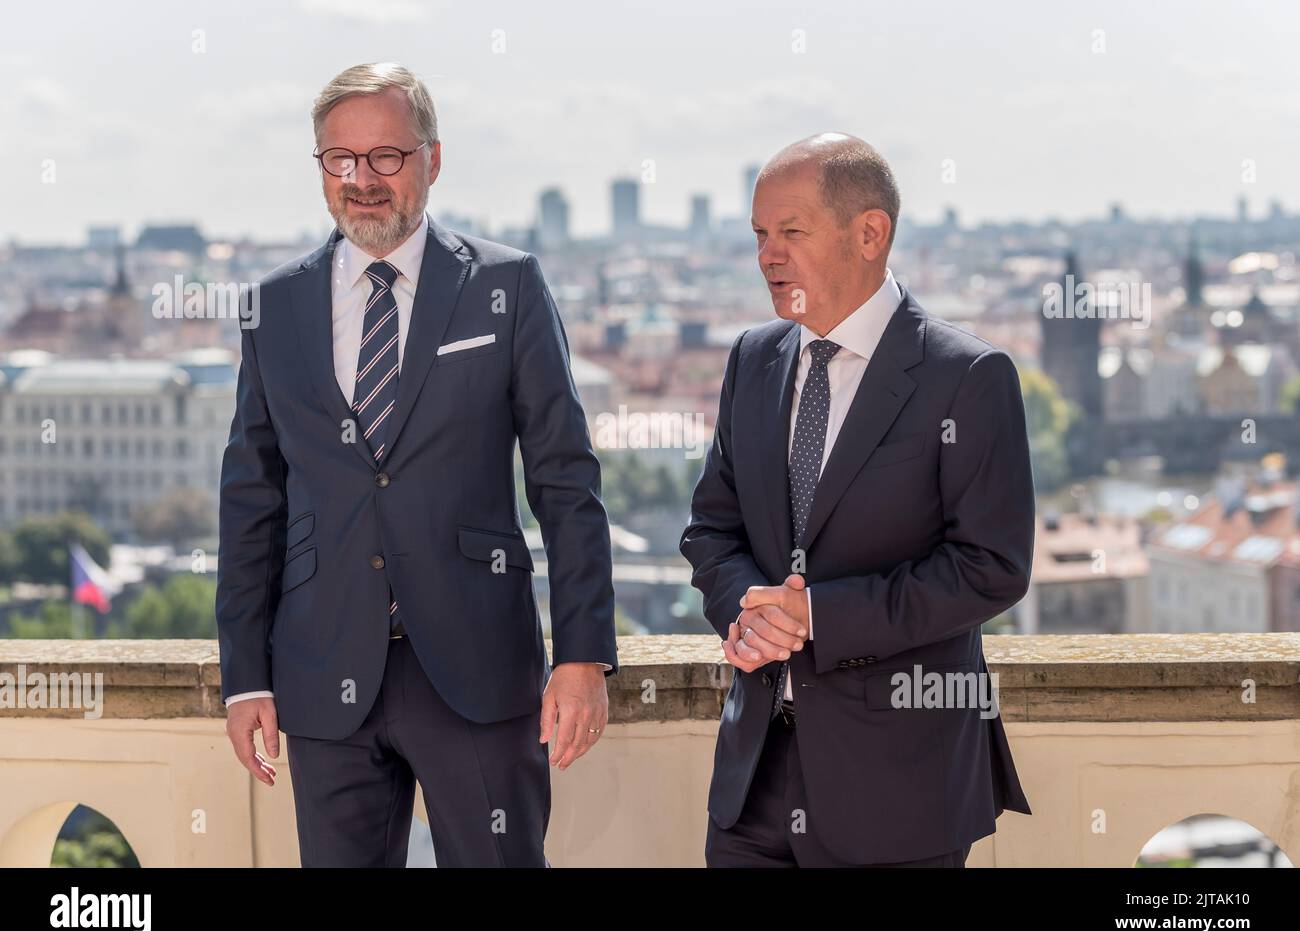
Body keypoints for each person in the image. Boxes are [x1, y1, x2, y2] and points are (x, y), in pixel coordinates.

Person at [217, 62, 616, 867]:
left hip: (477, 666)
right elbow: (252, 499)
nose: (362, 179)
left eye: (387, 156)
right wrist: (244, 676)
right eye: (340, 158)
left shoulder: (506, 284)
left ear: (433, 160)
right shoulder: (276, 304)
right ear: (321, 166)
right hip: (322, 666)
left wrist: (582, 654)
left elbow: (565, 481)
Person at [681, 133, 1033, 867]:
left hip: (901, 790)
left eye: (790, 232)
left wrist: (817, 617)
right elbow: (712, 528)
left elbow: (991, 565)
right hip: (752, 782)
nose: (766, 256)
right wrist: (751, 610)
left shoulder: (967, 376)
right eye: (759, 235)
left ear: (870, 233)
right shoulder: (753, 358)